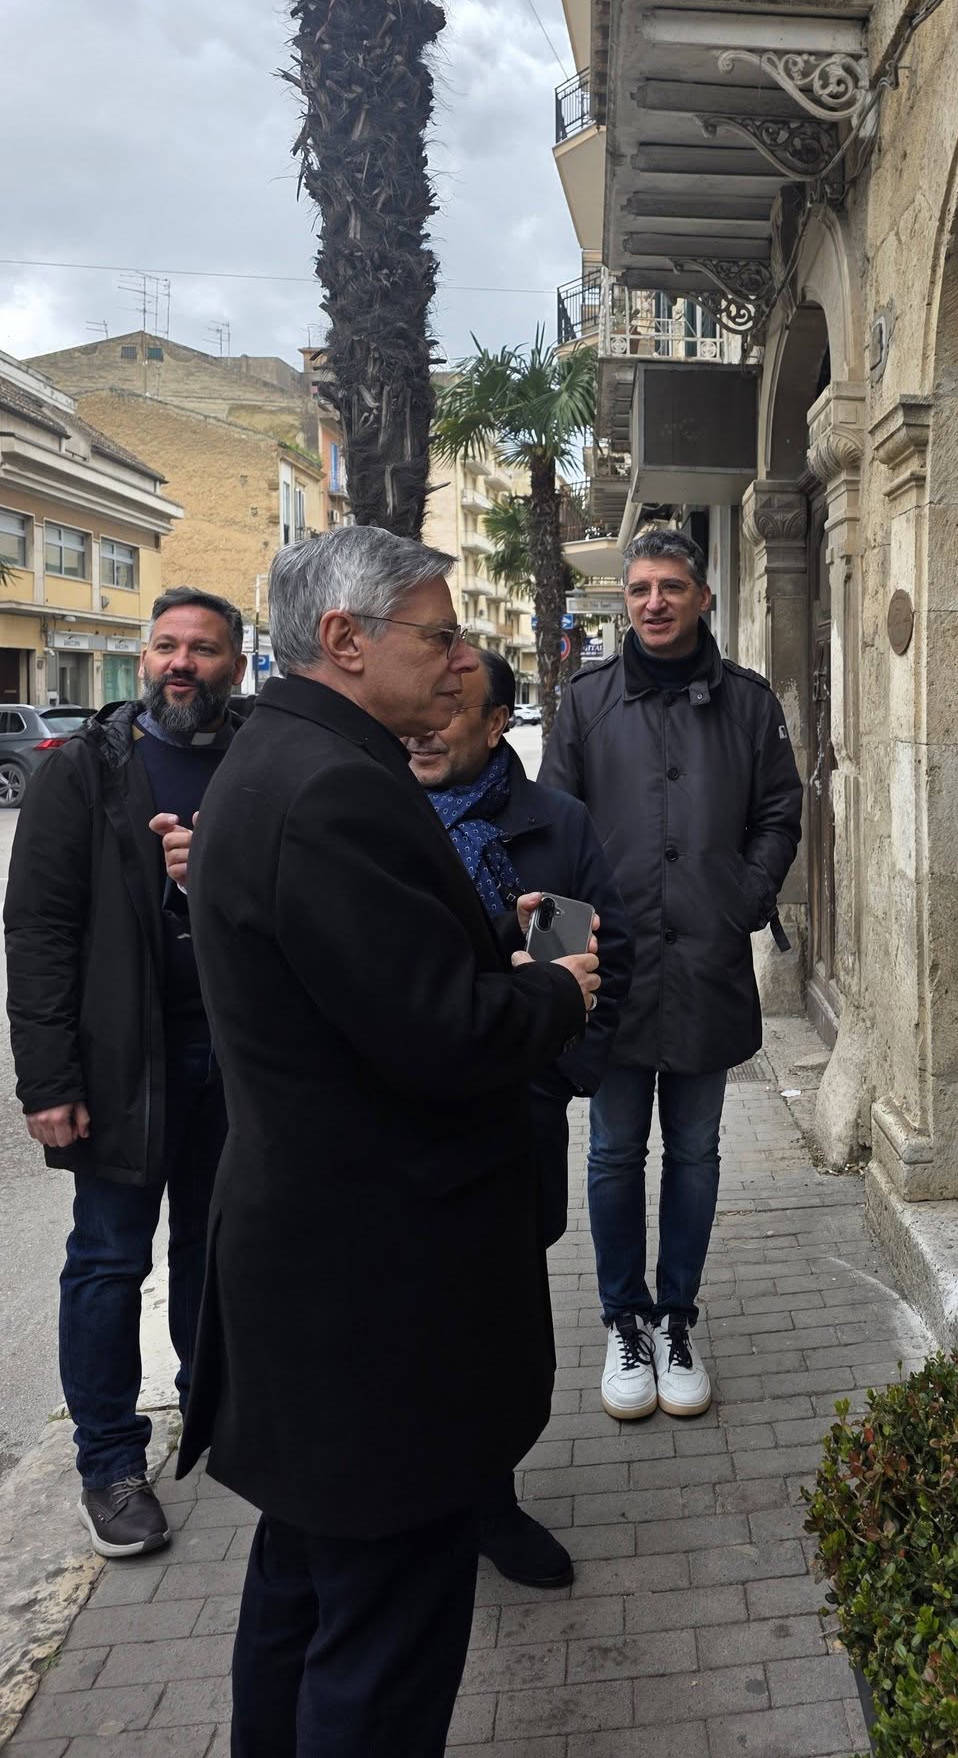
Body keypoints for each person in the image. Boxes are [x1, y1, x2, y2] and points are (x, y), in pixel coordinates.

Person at [177, 526, 599, 1758]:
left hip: (313, 1288)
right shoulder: (334, 788)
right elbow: (443, 1035)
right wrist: (555, 989)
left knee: (304, 1590)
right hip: (374, 1302)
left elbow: (371, 983)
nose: (460, 658)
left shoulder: (278, 763)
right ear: (346, 640)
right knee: (382, 1641)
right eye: (439, 632)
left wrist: (484, 944)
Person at [5, 587, 248, 1558]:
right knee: (108, 1260)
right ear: (146, 657)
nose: (180, 660)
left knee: (215, 1245)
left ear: (236, 662)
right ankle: (109, 1462)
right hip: (120, 1061)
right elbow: (40, 928)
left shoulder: (254, 755)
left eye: (203, 647)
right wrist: (47, 1077)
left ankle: (214, 1409)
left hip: (237, 1053)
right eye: (166, 644)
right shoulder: (87, 770)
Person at [541, 526, 802, 1422]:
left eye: (671, 586)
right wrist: (557, 978)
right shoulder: (583, 705)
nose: (654, 601)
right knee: (613, 1153)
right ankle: (625, 1319)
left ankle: (677, 1313)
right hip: (609, 977)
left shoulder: (749, 704)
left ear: (703, 598)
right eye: (640, 587)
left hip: (705, 962)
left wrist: (747, 896)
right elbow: (553, 836)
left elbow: (779, 810)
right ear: (627, 600)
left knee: (694, 1152)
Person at [405, 645, 633, 1589]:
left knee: (497, 1325)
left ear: (499, 722)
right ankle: (419, 1507)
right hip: (401, 1130)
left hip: (512, 1119)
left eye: (450, 707)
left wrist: (550, 1079)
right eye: (420, 705)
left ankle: (491, 1503)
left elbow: (591, 973)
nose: (425, 724)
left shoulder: (552, 824)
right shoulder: (369, 817)